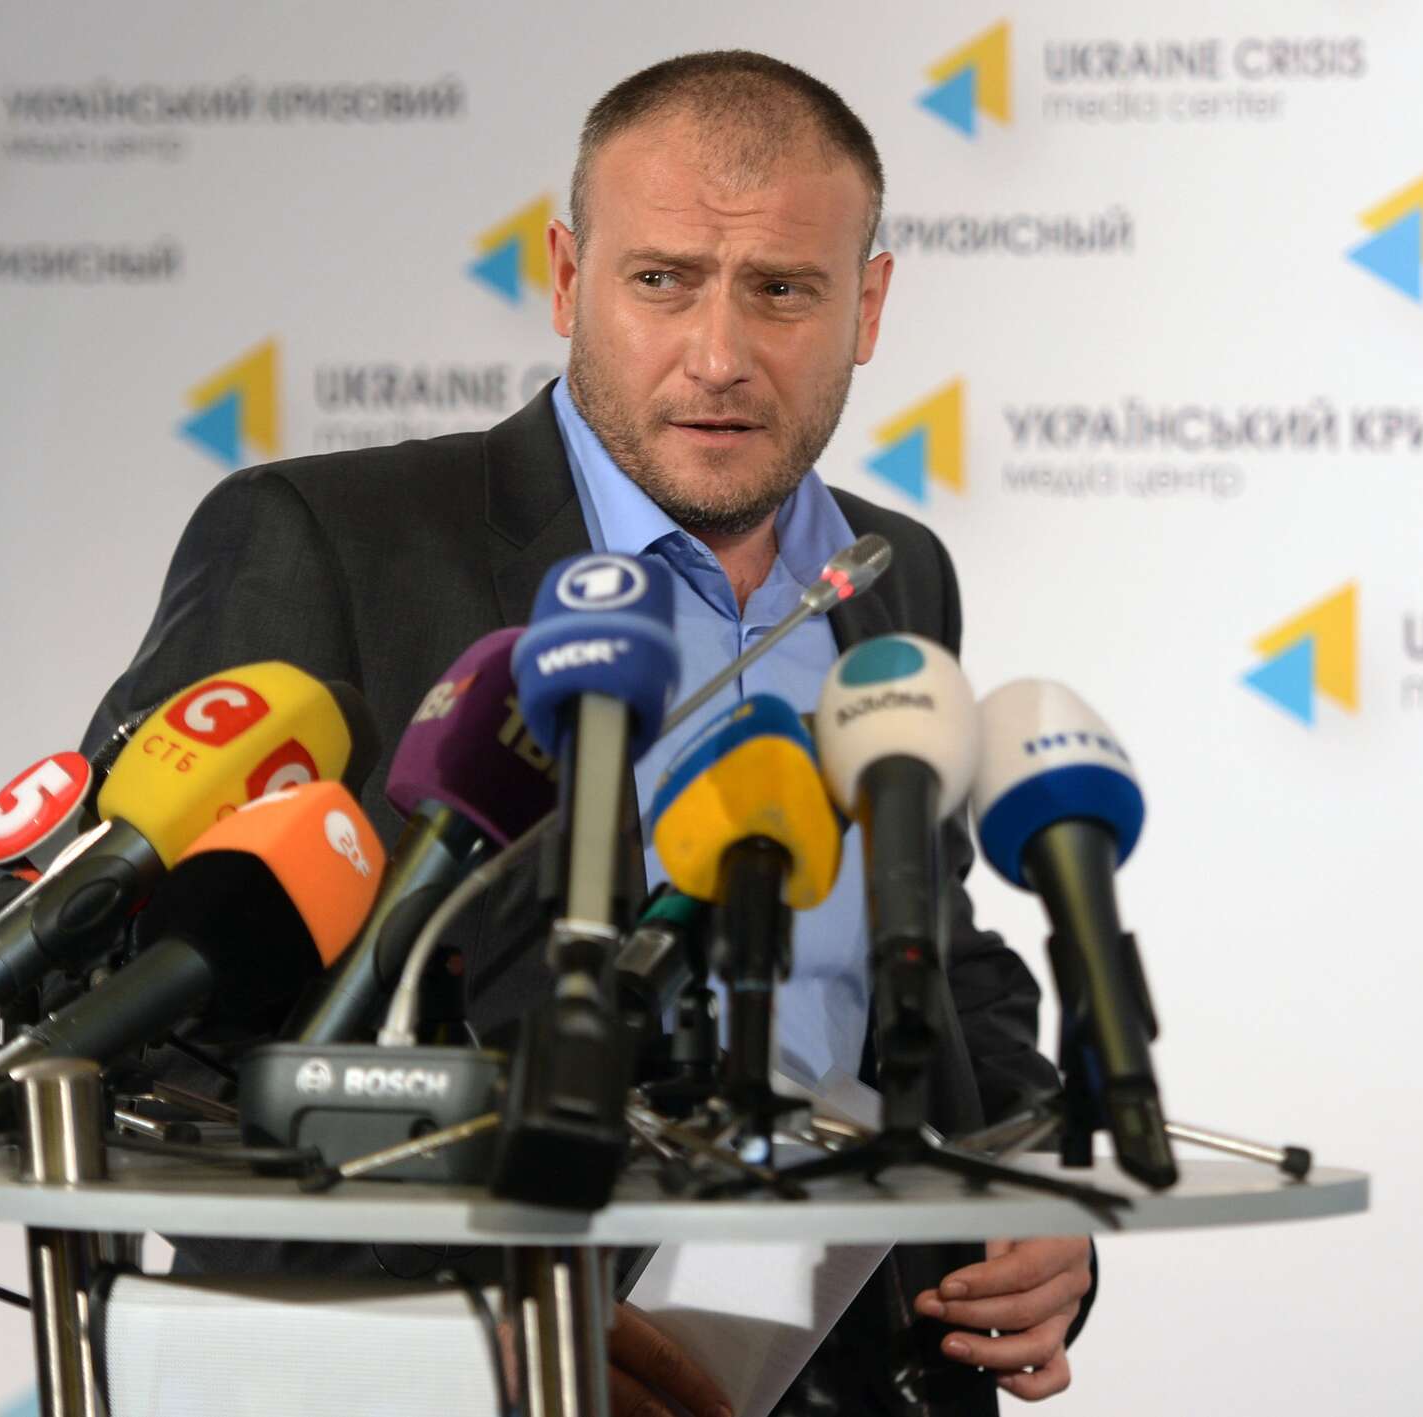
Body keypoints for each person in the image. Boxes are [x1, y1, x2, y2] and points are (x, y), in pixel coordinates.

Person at [83, 51, 1095, 1415]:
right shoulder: (329, 544)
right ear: (568, 279)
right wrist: (467, 1333)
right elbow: (160, 1028)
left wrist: (1033, 1195)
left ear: (867, 305)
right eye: (663, 279)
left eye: (782, 290)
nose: (719, 356)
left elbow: (941, 954)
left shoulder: (894, 573)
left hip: (862, 1370)